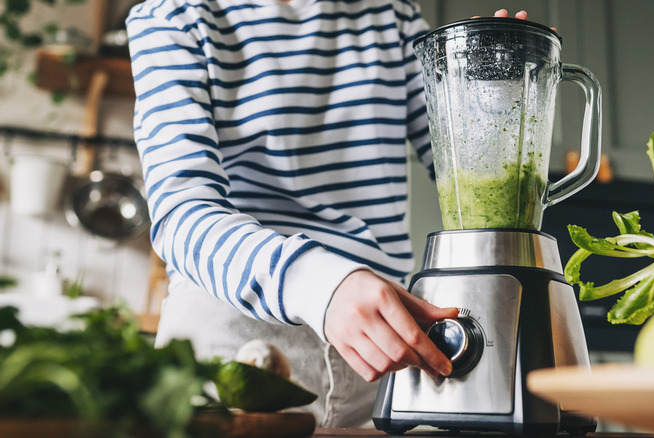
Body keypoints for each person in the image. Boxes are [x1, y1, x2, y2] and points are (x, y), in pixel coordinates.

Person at [126, 1, 535, 427]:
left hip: (385, 355)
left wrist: (487, 86)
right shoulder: (174, 18)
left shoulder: (393, 17)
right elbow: (180, 212)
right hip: (232, 352)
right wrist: (320, 285)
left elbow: (463, 160)